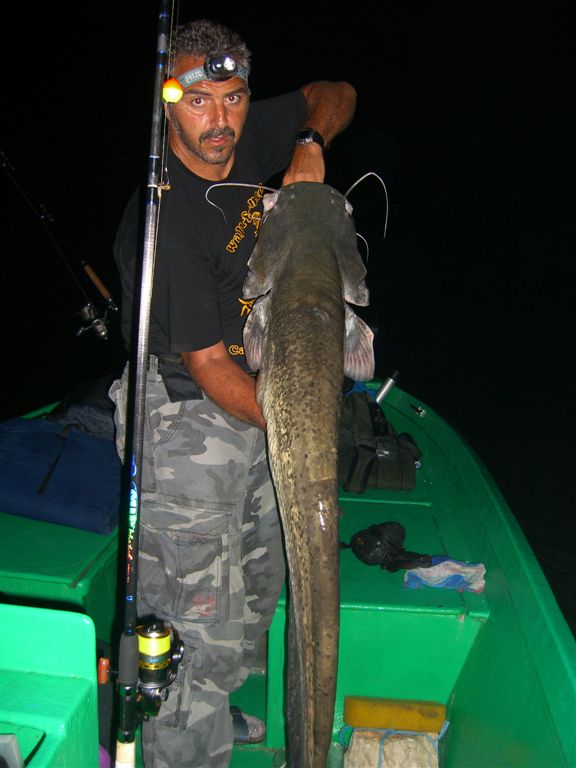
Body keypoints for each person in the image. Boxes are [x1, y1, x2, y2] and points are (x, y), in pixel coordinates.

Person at [110, 17, 356, 768]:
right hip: (183, 407)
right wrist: (299, 433)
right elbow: (211, 367)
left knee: (260, 576)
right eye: (197, 102)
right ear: (166, 104)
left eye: (234, 97)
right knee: (199, 620)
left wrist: (308, 142)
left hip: (259, 384)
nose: (219, 122)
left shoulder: (244, 134)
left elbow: (336, 92)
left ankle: (219, 706)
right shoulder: (166, 220)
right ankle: (184, 734)